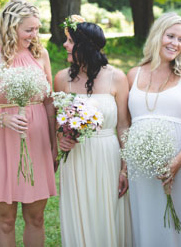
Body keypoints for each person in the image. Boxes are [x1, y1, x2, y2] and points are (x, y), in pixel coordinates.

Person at [0, 0, 57, 247]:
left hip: (37, 140)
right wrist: (3, 118)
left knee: (36, 216)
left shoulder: (41, 55)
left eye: (37, 29)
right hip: (0, 141)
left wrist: (53, 146)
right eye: (28, 30)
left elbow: (49, 103)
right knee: (6, 220)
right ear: (11, 28)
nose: (34, 35)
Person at [126, 12, 181, 247]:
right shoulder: (134, 74)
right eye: (170, 36)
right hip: (142, 167)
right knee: (149, 223)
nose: (175, 43)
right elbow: (129, 123)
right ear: (156, 35)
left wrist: (177, 161)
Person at [54, 16, 132, 246]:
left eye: (70, 41)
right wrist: (62, 137)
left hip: (107, 155)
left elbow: (123, 124)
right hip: (76, 158)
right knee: (78, 210)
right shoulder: (61, 79)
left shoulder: (117, 77)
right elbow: (58, 121)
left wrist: (124, 169)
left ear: (84, 45)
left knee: (107, 210)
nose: (65, 45)